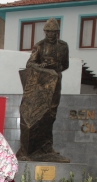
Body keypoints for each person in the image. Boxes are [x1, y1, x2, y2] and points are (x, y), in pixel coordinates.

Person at [16, 18, 70, 163]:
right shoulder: (39, 46)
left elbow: (65, 65)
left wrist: (55, 67)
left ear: (57, 32)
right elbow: (30, 64)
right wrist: (44, 66)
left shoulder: (63, 46)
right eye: (48, 32)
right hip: (41, 84)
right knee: (39, 114)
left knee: (51, 115)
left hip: (55, 82)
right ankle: (30, 149)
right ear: (45, 32)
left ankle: (47, 147)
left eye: (53, 32)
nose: (50, 34)